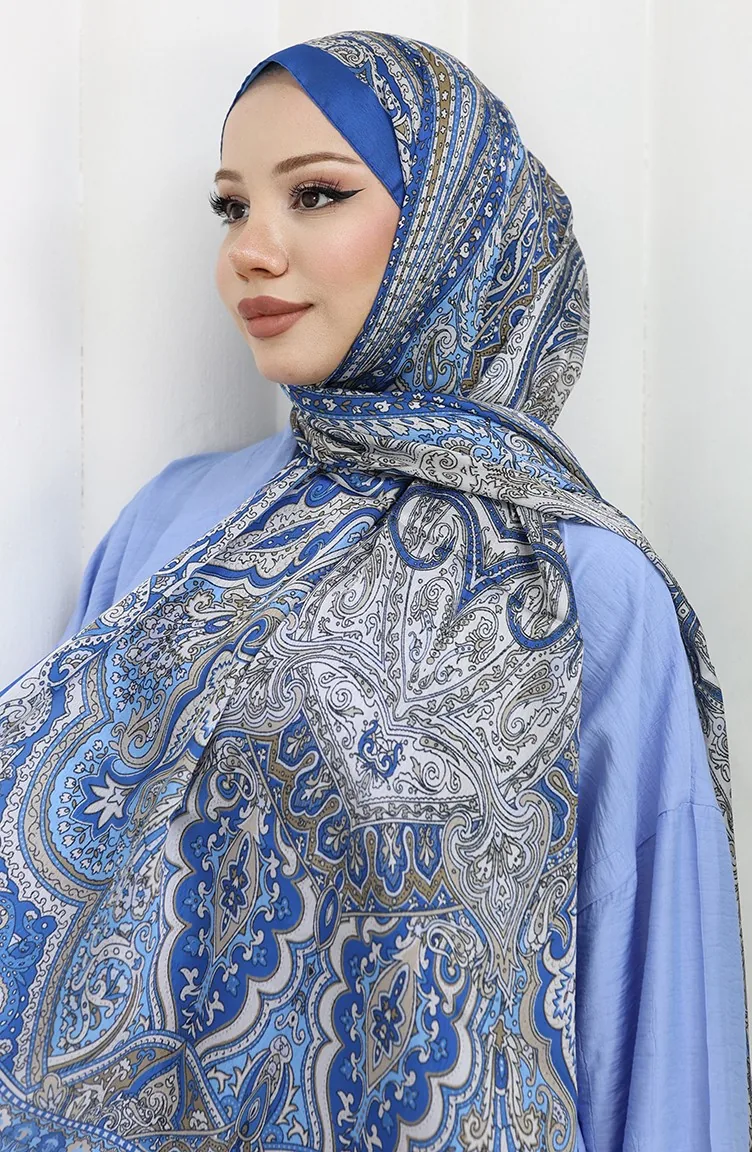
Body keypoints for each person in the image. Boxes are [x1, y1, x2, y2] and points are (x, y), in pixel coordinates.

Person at [0, 29, 748, 1152]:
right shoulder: (167, 522)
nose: (250, 251)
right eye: (230, 207)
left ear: (456, 224)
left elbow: (657, 1011)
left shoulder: (579, 584)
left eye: (314, 194)